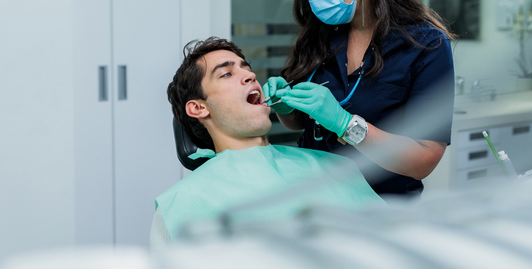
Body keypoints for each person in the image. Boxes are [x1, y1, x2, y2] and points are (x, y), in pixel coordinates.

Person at [264, 0, 455, 198]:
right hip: (314, 200)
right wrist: (286, 107)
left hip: (380, 211)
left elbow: (424, 160)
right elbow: (304, 123)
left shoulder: (425, 45)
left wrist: (346, 124)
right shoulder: (321, 35)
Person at [152, 38, 383, 249]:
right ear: (199, 108)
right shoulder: (180, 205)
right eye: (226, 74)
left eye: (246, 68)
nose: (250, 76)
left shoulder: (334, 168)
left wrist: (346, 124)